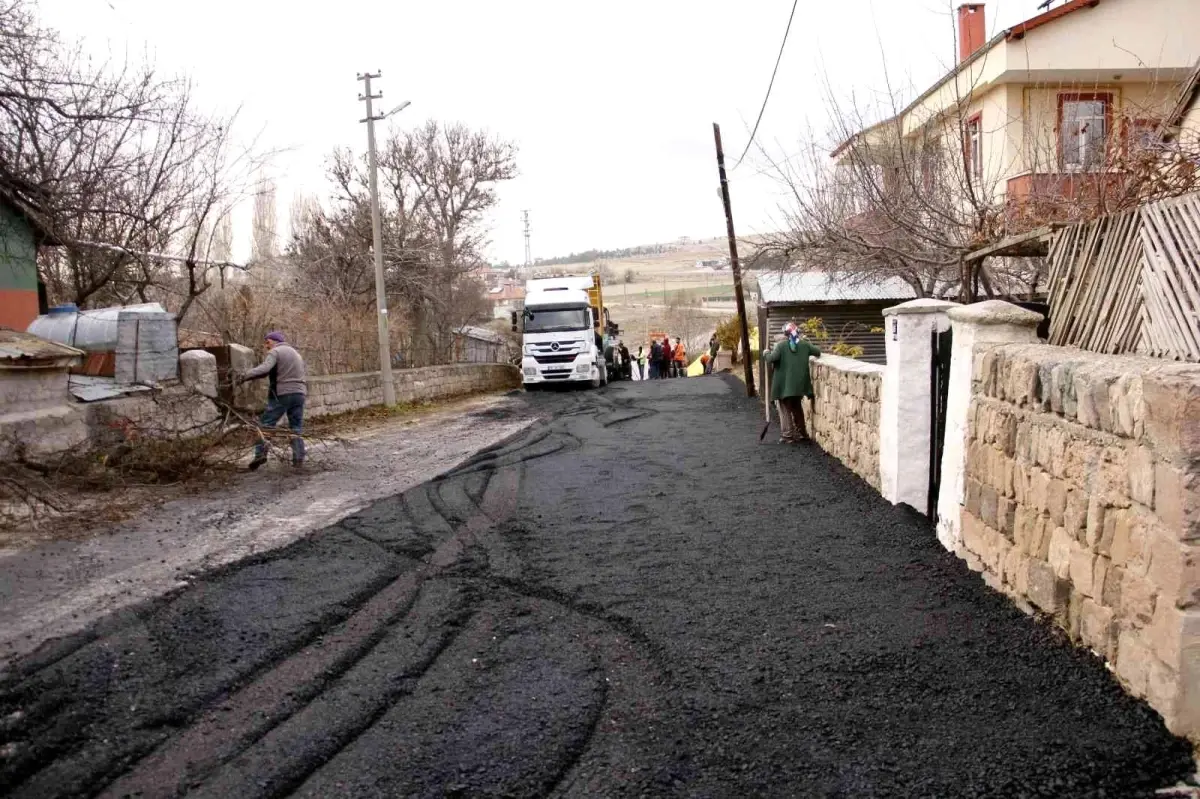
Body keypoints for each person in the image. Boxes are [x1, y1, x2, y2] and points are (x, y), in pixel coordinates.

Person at [238, 331, 308, 469]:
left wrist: (244, 376)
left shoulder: (276, 352)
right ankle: (298, 458)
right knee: (295, 427)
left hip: (283, 393)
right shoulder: (296, 354)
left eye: (268, 342)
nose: (266, 346)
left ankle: (260, 455)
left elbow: (265, 369)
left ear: (275, 341)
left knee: (266, 424)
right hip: (299, 393)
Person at [763, 321, 821, 443]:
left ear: (785, 333)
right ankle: (802, 433)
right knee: (797, 408)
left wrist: (766, 352)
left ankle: (788, 435)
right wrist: (805, 341)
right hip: (799, 385)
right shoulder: (805, 345)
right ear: (797, 333)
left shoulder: (780, 346)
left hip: (784, 386)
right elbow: (818, 352)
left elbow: (771, 359)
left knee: (784, 409)